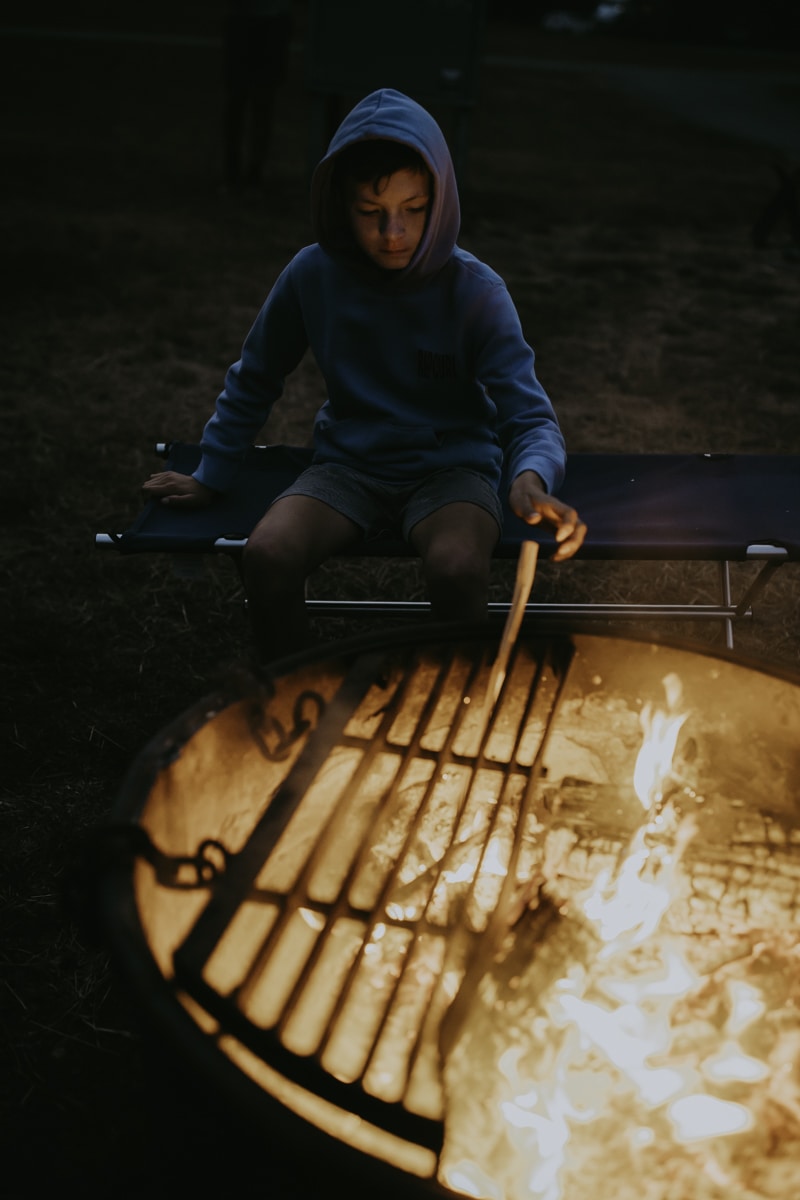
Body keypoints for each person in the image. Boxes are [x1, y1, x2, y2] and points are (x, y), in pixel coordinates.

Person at [143, 88, 587, 662]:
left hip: (453, 472)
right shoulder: (311, 274)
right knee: (267, 554)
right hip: (347, 467)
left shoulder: (476, 292)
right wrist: (212, 472)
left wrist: (530, 478)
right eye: (371, 212)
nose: (393, 232)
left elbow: (530, 417)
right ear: (339, 204)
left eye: (414, 208)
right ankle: (294, 699)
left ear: (442, 200)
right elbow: (255, 376)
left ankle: (454, 705)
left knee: (455, 567)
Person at [222, 0, 293, 192]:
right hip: (262, 19)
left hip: (257, 20)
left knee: (249, 101)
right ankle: (244, 167)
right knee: (252, 102)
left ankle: (242, 167)